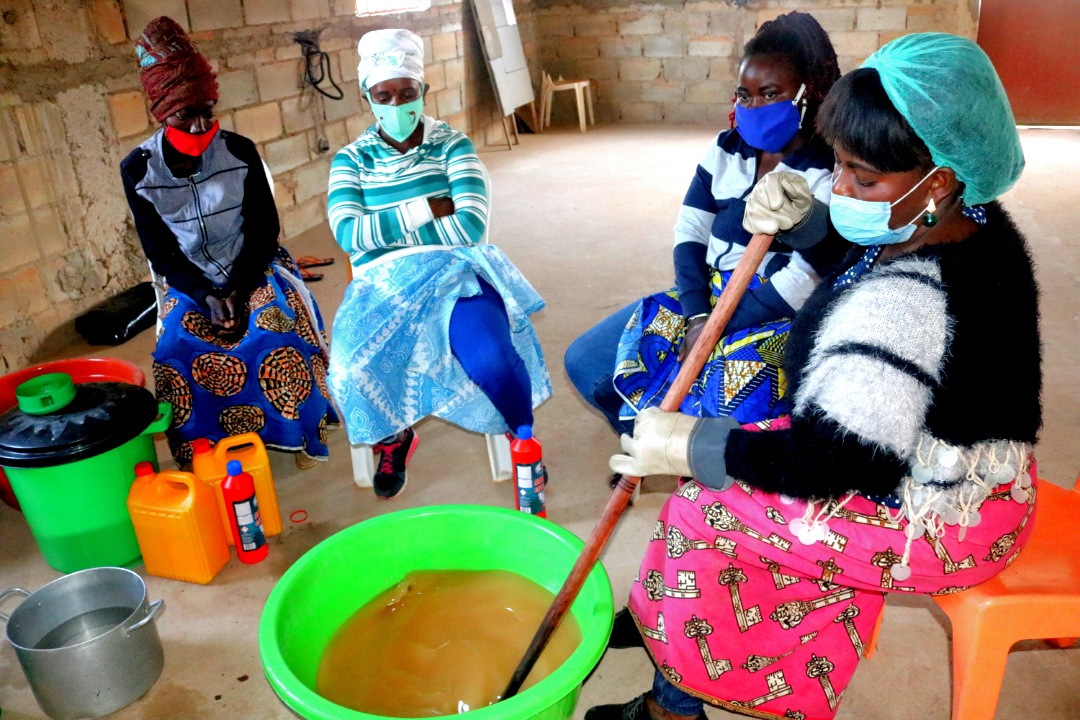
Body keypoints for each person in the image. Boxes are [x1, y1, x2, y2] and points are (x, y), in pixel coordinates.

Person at [588, 33, 1039, 720]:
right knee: (732, 457)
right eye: (838, 167)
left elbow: (832, 464)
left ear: (936, 180)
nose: (841, 187)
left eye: (860, 177)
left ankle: (671, 701)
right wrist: (808, 224)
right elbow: (866, 251)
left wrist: (691, 448)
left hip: (948, 513)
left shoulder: (906, 306)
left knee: (705, 504)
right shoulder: (966, 220)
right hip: (956, 464)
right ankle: (679, 633)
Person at [564, 12, 848, 449]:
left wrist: (720, 323)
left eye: (771, 94)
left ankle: (702, 467)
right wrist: (698, 314)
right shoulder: (725, 150)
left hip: (773, 312)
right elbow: (690, 235)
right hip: (708, 295)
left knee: (721, 402)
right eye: (744, 95)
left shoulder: (829, 170)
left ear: (810, 93)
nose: (752, 109)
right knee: (587, 362)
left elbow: (804, 279)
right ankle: (655, 449)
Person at [327, 29, 551, 499]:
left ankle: (521, 436)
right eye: (384, 95)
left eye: (407, 93)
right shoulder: (352, 159)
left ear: (423, 91)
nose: (397, 104)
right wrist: (429, 206)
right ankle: (395, 437)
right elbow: (348, 235)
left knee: (491, 357)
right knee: (348, 371)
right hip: (381, 285)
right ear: (367, 96)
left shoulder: (452, 145)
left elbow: (468, 227)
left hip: (455, 273)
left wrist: (384, 228)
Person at [121, 17, 338, 467]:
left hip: (253, 264)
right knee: (174, 349)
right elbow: (160, 251)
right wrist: (204, 294)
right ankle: (202, 449)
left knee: (275, 329)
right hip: (188, 279)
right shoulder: (139, 171)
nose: (200, 127)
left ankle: (294, 431)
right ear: (160, 113)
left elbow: (263, 232)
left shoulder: (239, 151)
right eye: (185, 114)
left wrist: (238, 287)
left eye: (208, 111)